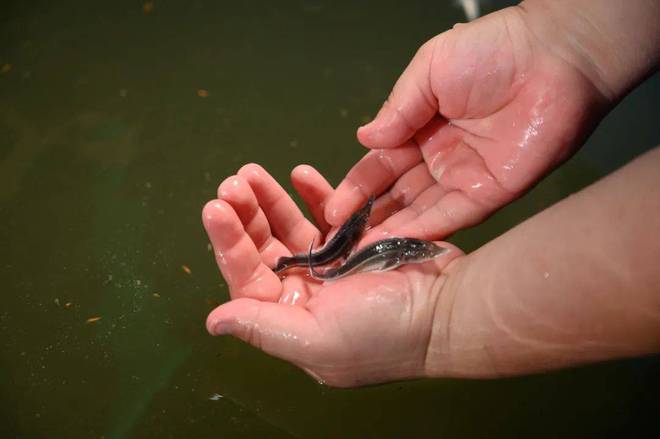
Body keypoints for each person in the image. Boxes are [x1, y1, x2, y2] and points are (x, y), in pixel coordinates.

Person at [202, 0, 660, 387]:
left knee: (337, 252)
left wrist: (440, 323)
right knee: (333, 253)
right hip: (344, 255)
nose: (421, 252)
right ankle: (305, 263)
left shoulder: (389, 246)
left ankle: (311, 263)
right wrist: (572, 40)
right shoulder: (363, 241)